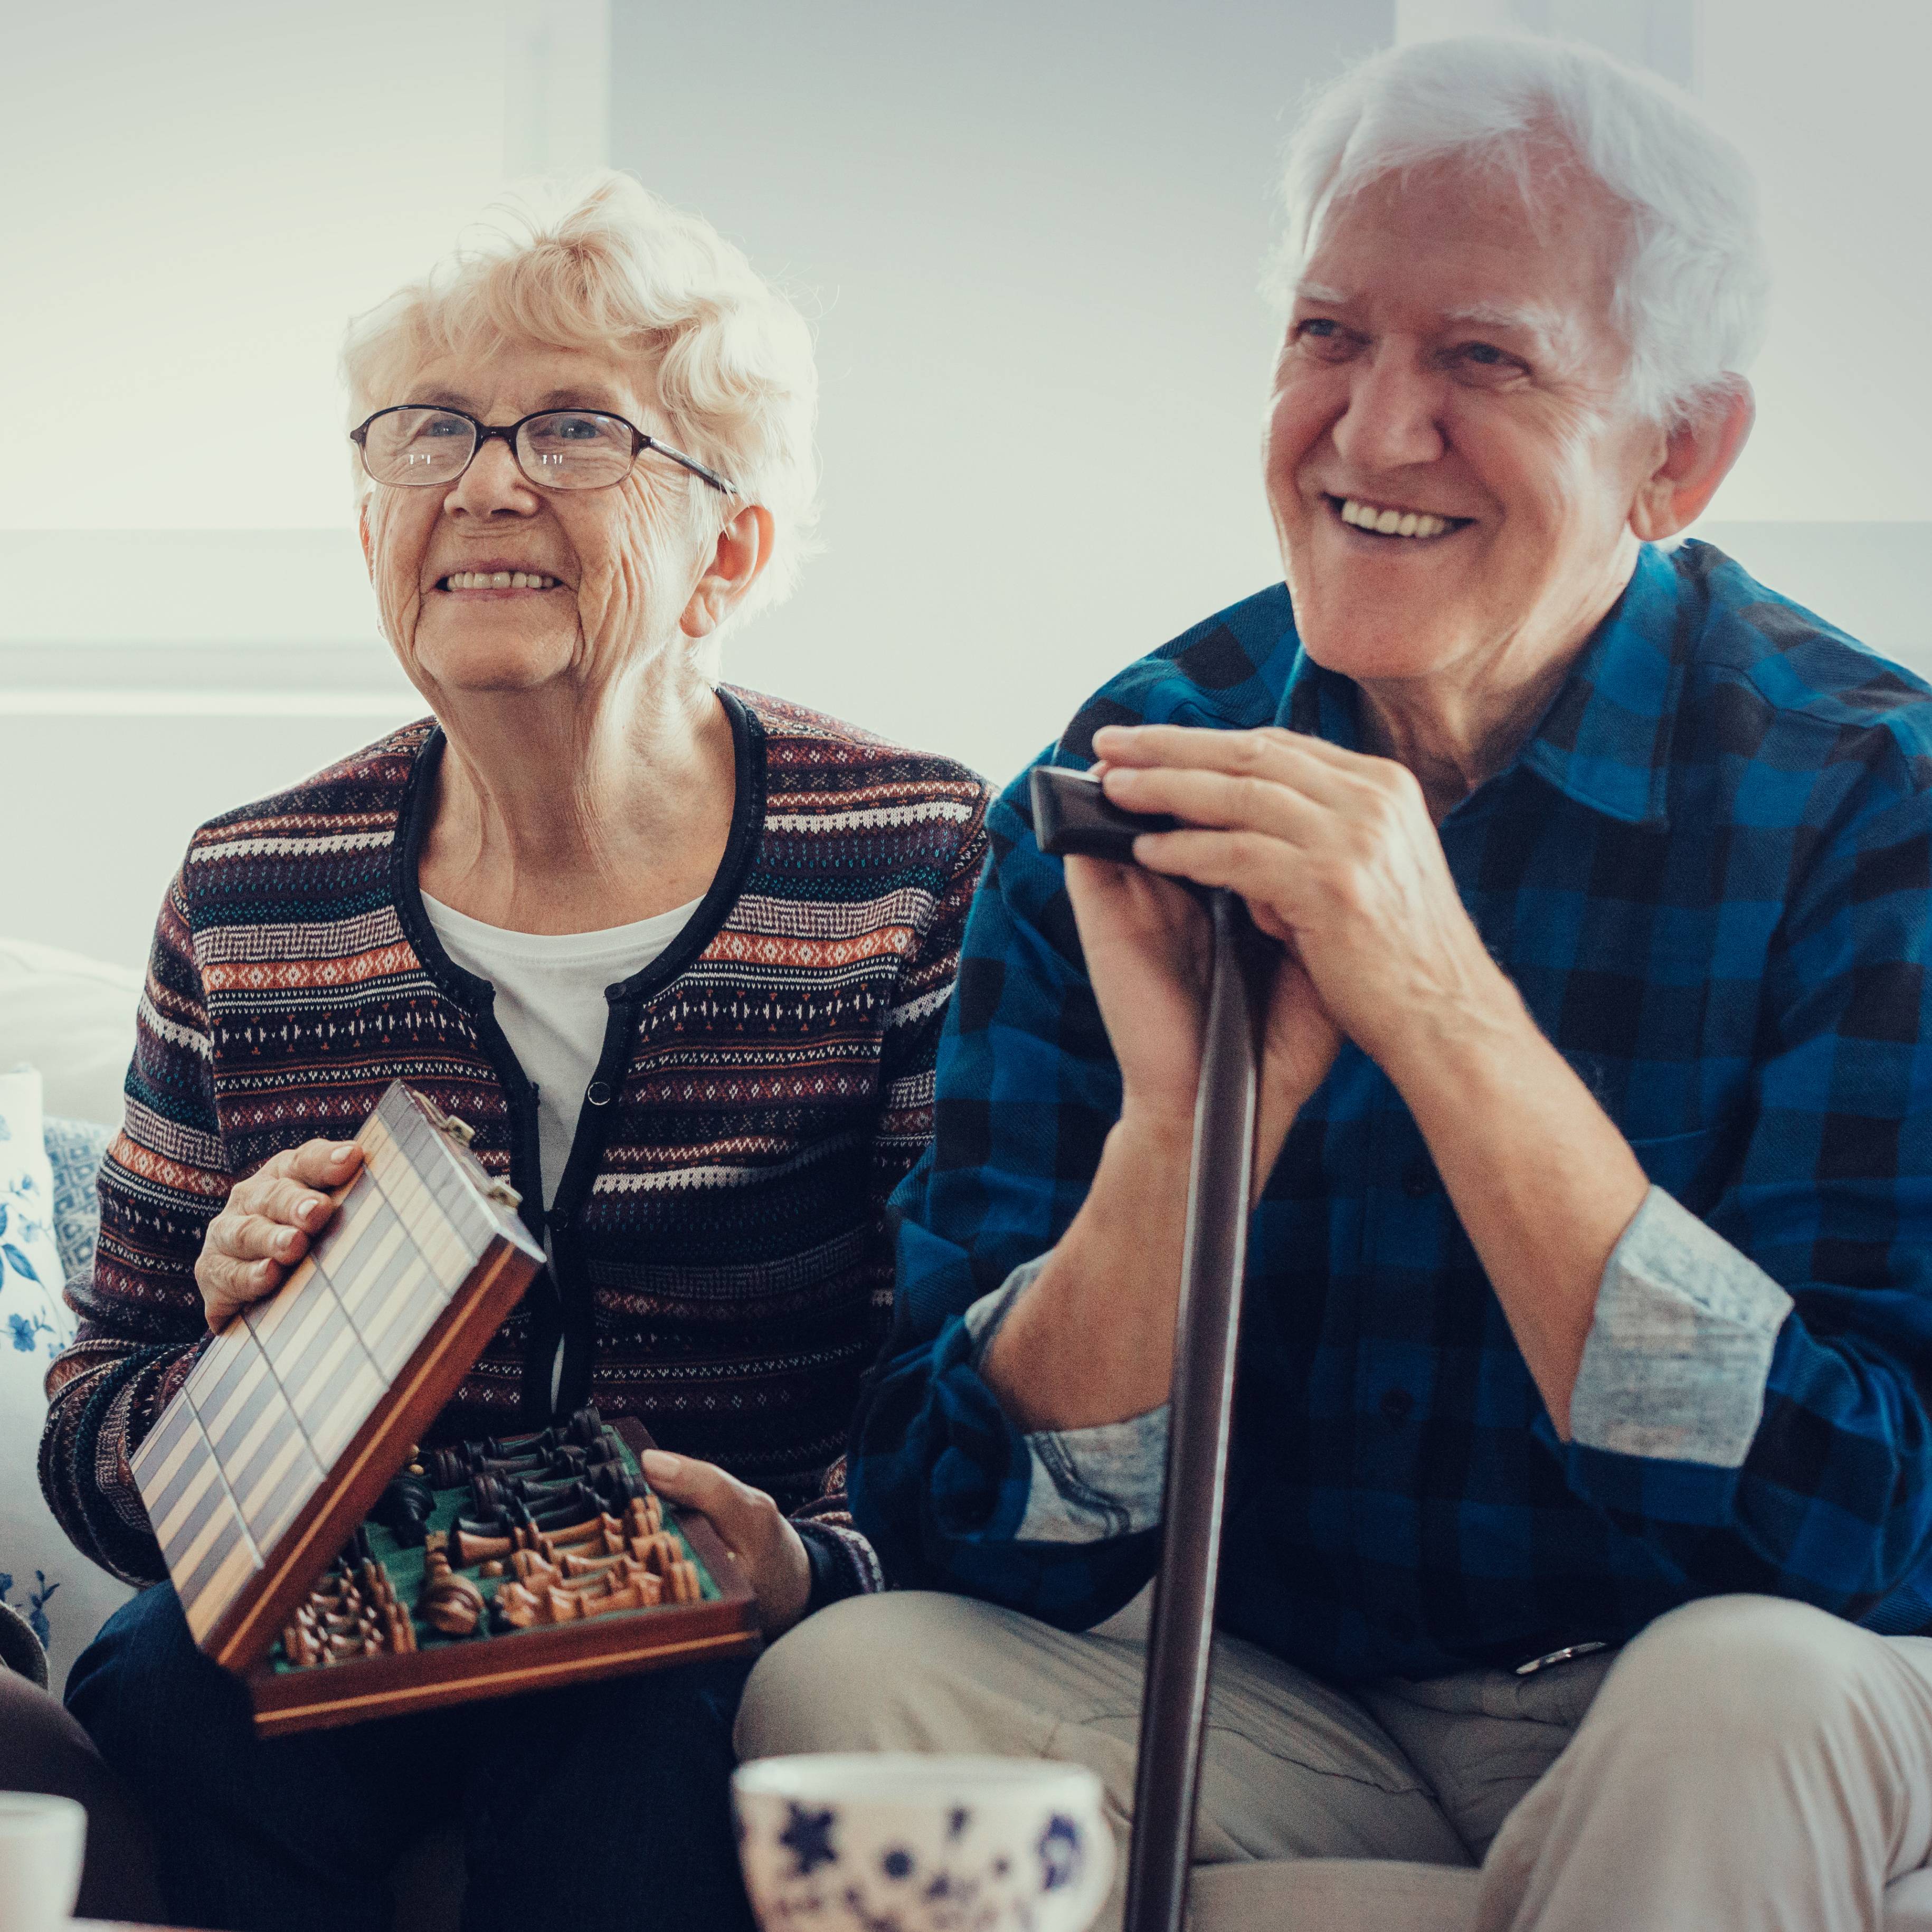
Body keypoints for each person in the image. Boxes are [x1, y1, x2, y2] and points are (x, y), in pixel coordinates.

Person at [735, 34, 1932, 1932]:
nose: (1375, 433)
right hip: (1290, 1702)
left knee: (1743, 1688)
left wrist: (1439, 1005)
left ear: (1676, 454)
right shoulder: (1143, 757)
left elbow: (1862, 1523)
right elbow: (955, 1515)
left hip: (1707, 1683)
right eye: (1326, 336)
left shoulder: (1871, 796)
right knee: (855, 1691)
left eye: (1484, 360)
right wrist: (1185, 1133)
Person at [38, 170, 989, 1932]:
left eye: (572, 432)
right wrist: (250, 1365)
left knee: (629, 1729)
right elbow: (97, 1433)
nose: (481, 481)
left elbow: (983, 1388)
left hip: (709, 1609)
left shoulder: (914, 855)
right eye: (427, 434)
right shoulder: (255, 887)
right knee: (165, 1687)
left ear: (733, 546)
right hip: (348, 1603)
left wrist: (809, 1559)